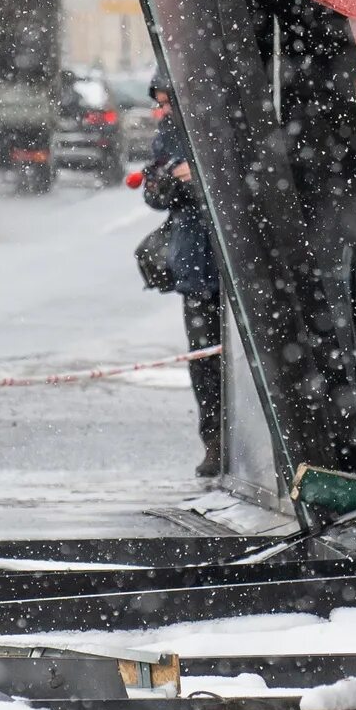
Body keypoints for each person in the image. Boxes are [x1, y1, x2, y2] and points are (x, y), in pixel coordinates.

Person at [142, 80, 224, 478]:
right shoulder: (168, 134)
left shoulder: (218, 123)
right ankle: (214, 443)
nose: (162, 112)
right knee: (204, 362)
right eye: (158, 105)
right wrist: (176, 181)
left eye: (166, 103)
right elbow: (154, 192)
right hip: (195, 268)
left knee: (235, 359)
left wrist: (205, 173)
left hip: (230, 268)